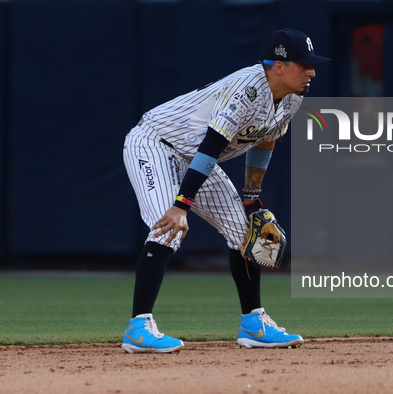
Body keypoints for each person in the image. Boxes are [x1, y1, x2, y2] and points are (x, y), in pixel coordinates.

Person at [121, 28, 330, 353]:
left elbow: (266, 140)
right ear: (278, 66)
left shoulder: (293, 98)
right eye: (304, 64)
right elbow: (212, 145)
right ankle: (138, 326)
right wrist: (181, 204)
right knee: (168, 227)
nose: (312, 71)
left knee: (244, 231)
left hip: (194, 156)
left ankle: (253, 324)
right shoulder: (247, 90)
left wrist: (251, 196)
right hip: (155, 144)